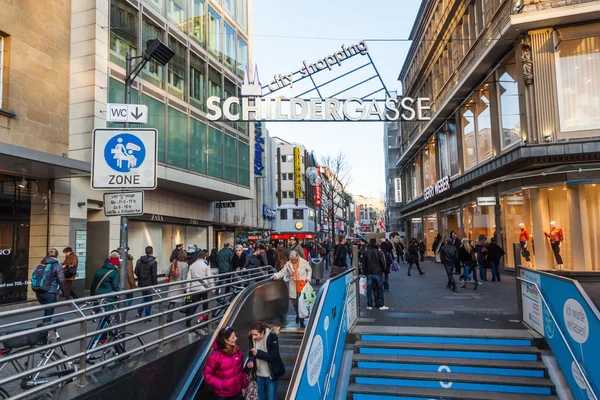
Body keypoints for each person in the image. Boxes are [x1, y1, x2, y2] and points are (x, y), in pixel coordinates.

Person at [204, 327, 248, 400]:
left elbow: (241, 370)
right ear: (226, 340)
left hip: (237, 393)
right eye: (233, 337)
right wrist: (222, 384)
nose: (236, 338)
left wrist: (243, 386)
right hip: (223, 396)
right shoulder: (215, 357)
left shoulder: (237, 351)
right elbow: (207, 375)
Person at [271, 251, 311, 328]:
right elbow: (282, 272)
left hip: (302, 284)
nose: (293, 261)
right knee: (294, 302)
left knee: (301, 302)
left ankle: (301, 319)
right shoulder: (288, 264)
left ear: (298, 257)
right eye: (291, 260)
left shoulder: (304, 262)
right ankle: (298, 314)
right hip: (293, 283)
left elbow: (309, 270)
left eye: (294, 260)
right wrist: (276, 276)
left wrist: (308, 278)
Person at [247, 321, 285, 400]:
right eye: (252, 335)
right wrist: (251, 363)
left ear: (263, 332)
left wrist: (258, 353)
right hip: (258, 374)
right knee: (261, 397)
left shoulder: (272, 337)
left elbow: (274, 357)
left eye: (256, 335)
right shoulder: (251, 338)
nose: (253, 337)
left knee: (271, 397)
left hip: (271, 374)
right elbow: (251, 354)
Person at [32, 248, 69, 323]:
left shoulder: (42, 263)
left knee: (47, 312)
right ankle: (43, 333)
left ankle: (44, 330)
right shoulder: (57, 265)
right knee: (48, 315)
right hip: (51, 292)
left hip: (39, 292)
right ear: (57, 255)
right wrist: (66, 294)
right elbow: (61, 280)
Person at [186, 250, 213, 327]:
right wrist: (213, 288)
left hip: (194, 288)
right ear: (204, 257)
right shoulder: (206, 264)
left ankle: (189, 319)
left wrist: (188, 289)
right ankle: (205, 320)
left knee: (194, 305)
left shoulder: (192, 265)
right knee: (205, 305)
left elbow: (189, 278)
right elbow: (209, 277)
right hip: (204, 288)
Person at [362, 238, 389, 311]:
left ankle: (369, 304)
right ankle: (381, 304)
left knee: (369, 289)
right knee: (380, 288)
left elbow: (363, 265)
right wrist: (383, 271)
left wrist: (365, 272)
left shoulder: (365, 253)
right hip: (378, 272)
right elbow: (383, 263)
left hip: (369, 273)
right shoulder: (379, 252)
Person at [135, 246, 158, 321]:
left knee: (145, 298)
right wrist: (155, 285)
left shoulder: (139, 261)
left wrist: (140, 277)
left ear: (145, 251)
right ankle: (147, 316)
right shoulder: (153, 262)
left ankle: (139, 312)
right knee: (149, 299)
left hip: (141, 282)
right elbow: (154, 274)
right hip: (149, 283)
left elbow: (136, 271)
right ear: (152, 252)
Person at [166, 250, 190, 323]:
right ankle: (188, 318)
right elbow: (184, 278)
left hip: (172, 285)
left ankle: (169, 317)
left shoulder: (173, 263)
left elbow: (166, 273)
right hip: (181, 287)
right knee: (188, 300)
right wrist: (187, 287)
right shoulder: (185, 265)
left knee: (172, 302)